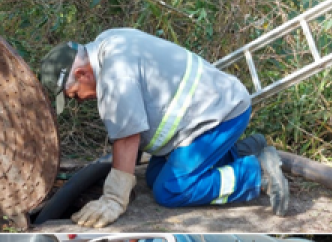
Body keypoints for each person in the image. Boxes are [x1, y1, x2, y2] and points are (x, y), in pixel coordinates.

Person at [38, 28, 289, 228]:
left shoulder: (115, 76)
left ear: (82, 74)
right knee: (154, 177)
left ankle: (257, 173)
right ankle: (244, 150)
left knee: (172, 190)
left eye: (73, 94)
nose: (78, 100)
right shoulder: (108, 42)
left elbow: (127, 139)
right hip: (207, 113)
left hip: (219, 115)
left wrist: (114, 199)